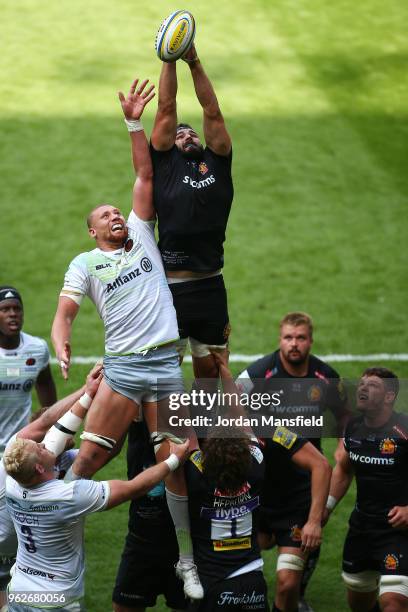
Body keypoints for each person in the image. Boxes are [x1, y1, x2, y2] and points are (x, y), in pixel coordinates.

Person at [51, 78, 202, 599]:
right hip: (121, 369)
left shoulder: (141, 234)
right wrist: (61, 339)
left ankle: (187, 560)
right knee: (90, 460)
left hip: (163, 366)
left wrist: (133, 122)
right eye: (105, 216)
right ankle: (55, 534)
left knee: (176, 458)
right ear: (92, 232)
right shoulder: (84, 263)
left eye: (118, 211)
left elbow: (144, 171)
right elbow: (65, 310)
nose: (116, 215)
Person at [3, 428, 189, 612]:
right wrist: (173, 460)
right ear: (39, 468)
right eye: (40, 448)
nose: (44, 444)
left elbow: (63, 444)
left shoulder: (13, 482)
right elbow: (133, 488)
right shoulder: (70, 496)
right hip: (55, 599)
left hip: (19, 591)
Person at [237, 312, 349, 611]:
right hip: (259, 487)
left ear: (310, 340)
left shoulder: (326, 378)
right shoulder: (259, 374)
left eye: (300, 338)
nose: (294, 344)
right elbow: (230, 406)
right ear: (280, 340)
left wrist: (343, 442)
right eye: (288, 337)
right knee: (253, 554)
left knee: (287, 583)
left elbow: (345, 415)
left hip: (301, 486)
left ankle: (296, 594)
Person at [149, 44, 233, 379]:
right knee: (162, 374)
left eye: (191, 132)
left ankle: (208, 432)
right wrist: (170, 60)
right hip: (172, 288)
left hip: (212, 285)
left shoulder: (218, 160)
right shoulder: (165, 164)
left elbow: (212, 111)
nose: (187, 136)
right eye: (180, 134)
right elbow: (166, 107)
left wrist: (194, 61)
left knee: (213, 371)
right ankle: (154, 433)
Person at [0, 366, 101, 611]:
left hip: (22, 564)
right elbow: (97, 452)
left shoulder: (16, 470)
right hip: (47, 587)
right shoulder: (60, 488)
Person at [184, 350, 269, 611]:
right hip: (253, 577)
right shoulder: (255, 468)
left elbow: (187, 434)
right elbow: (243, 421)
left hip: (214, 583)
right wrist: (225, 371)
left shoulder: (199, 479)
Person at [324, 367, 408, 612]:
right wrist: (327, 507)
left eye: (372, 385)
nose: (362, 388)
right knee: (359, 603)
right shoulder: (353, 427)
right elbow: (344, 468)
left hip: (397, 533)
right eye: (361, 384)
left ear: (389, 397)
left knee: (393, 603)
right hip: (361, 529)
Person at [112, 421, 188, 612]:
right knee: (124, 607)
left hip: (185, 545)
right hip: (142, 541)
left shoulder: (191, 416)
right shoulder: (138, 415)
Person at [256, 434, 331, 612]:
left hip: (292, 510)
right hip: (255, 508)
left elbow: (321, 465)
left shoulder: (275, 431)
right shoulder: (217, 433)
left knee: (287, 584)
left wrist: (313, 522)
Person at [0, 286, 57, 456]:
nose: (13, 313)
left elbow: (45, 382)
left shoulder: (37, 348)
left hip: (20, 446)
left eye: (17, 308)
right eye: (5, 309)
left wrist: (51, 423)